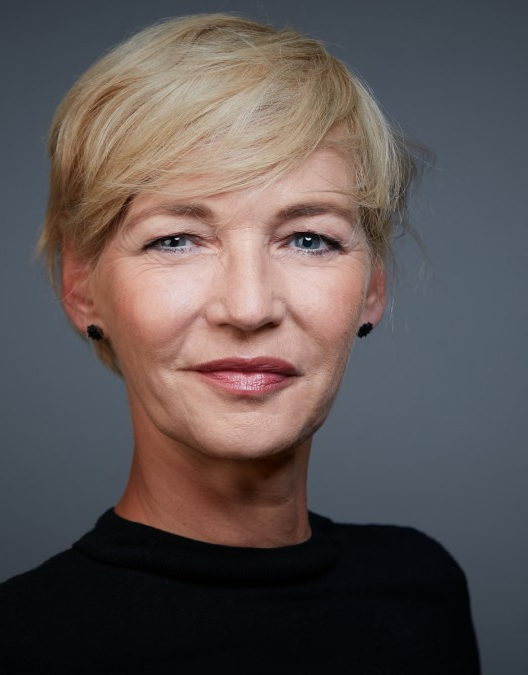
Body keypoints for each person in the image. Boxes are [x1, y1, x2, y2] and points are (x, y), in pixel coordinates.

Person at [0, 13, 480, 674]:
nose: (249, 307)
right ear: (83, 289)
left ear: (373, 287)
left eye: (309, 239)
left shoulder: (425, 593)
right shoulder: (23, 643)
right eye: (176, 239)